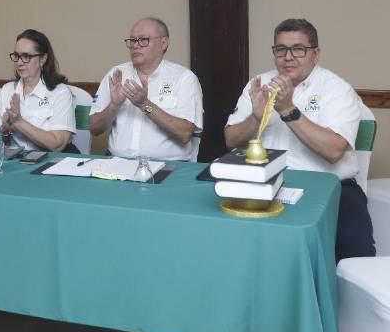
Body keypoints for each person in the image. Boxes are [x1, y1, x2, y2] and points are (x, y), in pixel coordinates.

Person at [225, 18, 374, 261]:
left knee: (356, 255)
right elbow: (230, 140)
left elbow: (334, 151)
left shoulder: (337, 89)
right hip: (267, 184)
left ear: (316, 53)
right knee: (233, 242)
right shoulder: (259, 84)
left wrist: (287, 109)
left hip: (332, 187)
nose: (288, 57)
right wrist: (255, 119)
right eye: (281, 49)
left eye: (298, 49)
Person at [89, 18, 203, 160]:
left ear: (163, 43)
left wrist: (144, 104)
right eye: (132, 40)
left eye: (143, 40)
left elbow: (185, 133)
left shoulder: (184, 78)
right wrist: (113, 106)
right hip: (117, 162)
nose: (135, 46)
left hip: (168, 165)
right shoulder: (117, 74)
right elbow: (94, 128)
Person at [0, 29, 76, 152]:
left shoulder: (60, 92)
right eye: (17, 56)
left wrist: (19, 122)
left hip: (50, 159)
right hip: (15, 159)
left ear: (43, 59)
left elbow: (58, 144)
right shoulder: (6, 90)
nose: (19, 63)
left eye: (26, 56)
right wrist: (5, 130)